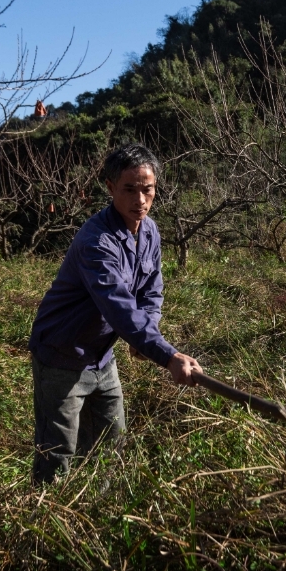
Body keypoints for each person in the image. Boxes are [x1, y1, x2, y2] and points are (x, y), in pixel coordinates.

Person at [28, 143, 202, 484]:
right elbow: (119, 305)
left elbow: (151, 290)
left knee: (110, 445)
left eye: (147, 190)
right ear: (110, 188)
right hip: (62, 355)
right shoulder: (97, 241)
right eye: (129, 189)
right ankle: (45, 523)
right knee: (57, 453)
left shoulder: (149, 231)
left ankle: (96, 511)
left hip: (102, 356)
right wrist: (167, 355)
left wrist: (147, 332)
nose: (140, 200)